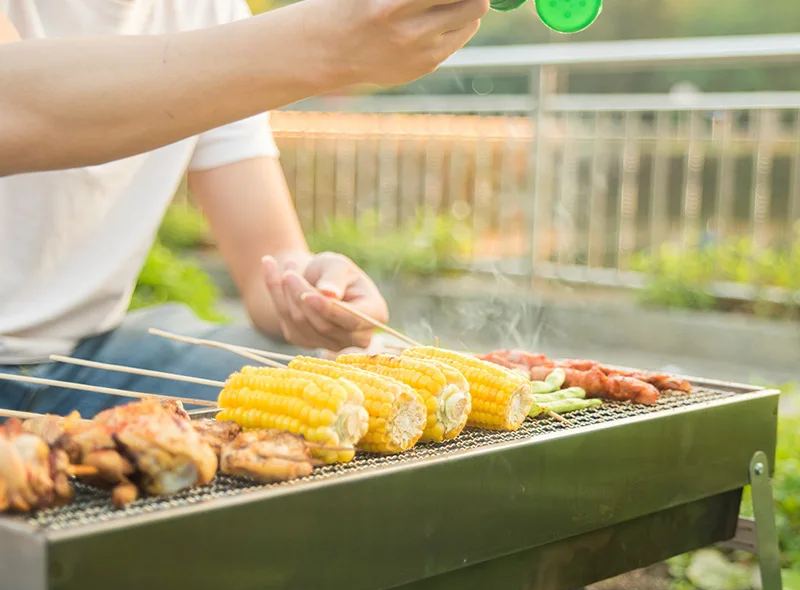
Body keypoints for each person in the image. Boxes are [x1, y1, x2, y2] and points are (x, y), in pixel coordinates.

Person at [0, 0, 488, 417]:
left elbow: (268, 265)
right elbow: (16, 109)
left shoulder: (207, 8)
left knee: (350, 402)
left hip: (92, 354)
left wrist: (313, 289)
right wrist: (323, 43)